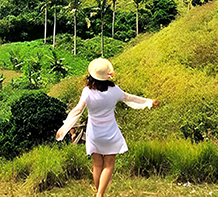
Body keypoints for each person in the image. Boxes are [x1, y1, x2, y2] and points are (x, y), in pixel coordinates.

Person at [56, 58, 159, 197]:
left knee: (97, 164)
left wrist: (64, 128)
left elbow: (77, 111)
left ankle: (98, 193)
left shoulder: (87, 91)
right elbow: (131, 98)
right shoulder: (114, 90)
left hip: (94, 133)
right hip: (111, 132)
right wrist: (149, 102)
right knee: (109, 165)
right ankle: (100, 194)